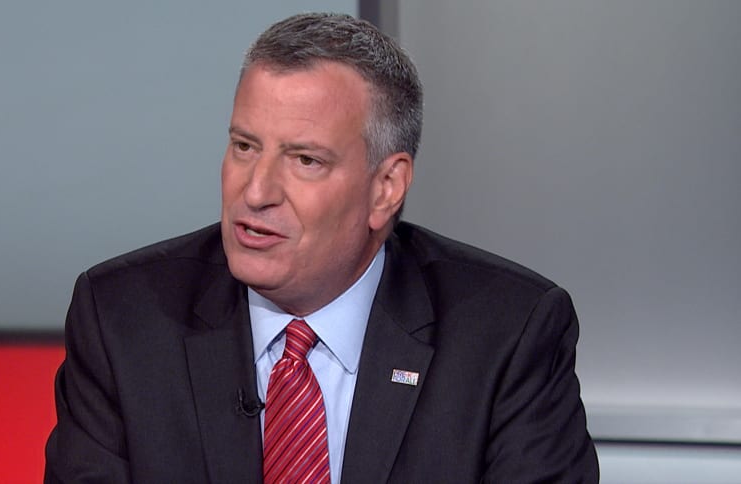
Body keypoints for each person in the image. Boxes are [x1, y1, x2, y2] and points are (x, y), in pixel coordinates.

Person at [45, 12, 599, 483]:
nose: (255, 192)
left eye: (305, 160)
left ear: (386, 188)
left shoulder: (506, 335)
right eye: (244, 147)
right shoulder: (124, 319)